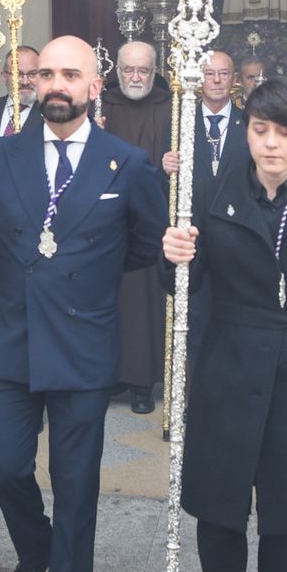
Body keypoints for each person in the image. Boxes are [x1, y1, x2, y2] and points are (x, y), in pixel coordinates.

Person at [0, 35, 166, 572]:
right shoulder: (1, 154)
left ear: (95, 85)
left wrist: (88, 281)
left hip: (83, 345)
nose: (56, 84)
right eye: (46, 74)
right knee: (3, 465)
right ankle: (34, 551)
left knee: (76, 487)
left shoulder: (126, 164)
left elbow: (144, 247)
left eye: (70, 73)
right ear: (33, 84)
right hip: (11, 344)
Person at [162, 78, 287, 572]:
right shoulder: (218, 185)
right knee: (220, 505)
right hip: (227, 359)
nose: (272, 145)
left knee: (284, 511)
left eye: (285, 133)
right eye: (261, 130)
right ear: (246, 131)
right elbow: (186, 279)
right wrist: (174, 256)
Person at [101, 40, 173, 414]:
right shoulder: (103, 106)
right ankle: (112, 375)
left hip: (150, 214)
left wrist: (171, 164)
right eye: (128, 69)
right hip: (107, 218)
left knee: (144, 300)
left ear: (154, 71)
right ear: (117, 71)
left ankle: (143, 383)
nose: (135, 76)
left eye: (143, 70)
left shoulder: (170, 106)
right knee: (110, 296)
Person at [162, 51, 246, 180]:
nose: (216, 80)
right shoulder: (181, 123)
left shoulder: (248, 122)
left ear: (234, 79)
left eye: (224, 74)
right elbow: (167, 180)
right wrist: (168, 166)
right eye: (209, 74)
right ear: (199, 79)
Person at [0, 45, 41, 152]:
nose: (25, 82)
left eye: (32, 74)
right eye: (17, 74)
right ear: (4, 76)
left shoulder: (49, 115)